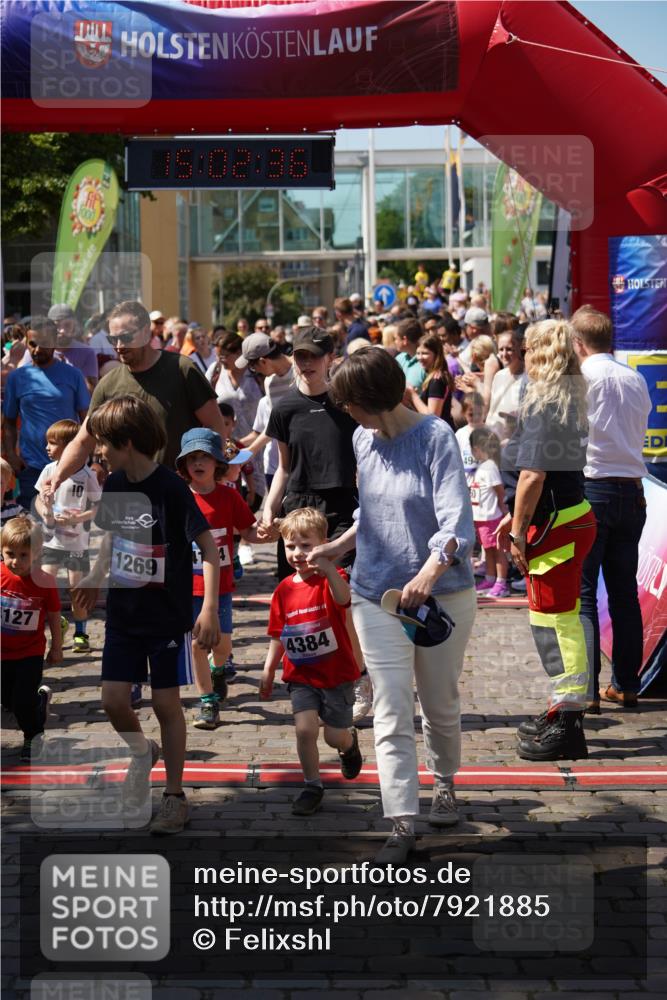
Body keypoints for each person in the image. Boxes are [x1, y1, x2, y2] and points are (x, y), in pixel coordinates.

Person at [315, 347, 476, 863]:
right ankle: (401, 819)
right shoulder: (364, 439)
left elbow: (456, 522)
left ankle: (445, 781)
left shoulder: (435, 437)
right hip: (373, 593)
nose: (346, 414)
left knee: (440, 704)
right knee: (390, 706)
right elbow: (374, 512)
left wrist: (430, 570)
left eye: (348, 404)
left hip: (440, 596)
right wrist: (338, 547)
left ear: (371, 399)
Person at [72, 396, 222, 835]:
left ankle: (174, 796)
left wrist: (209, 607)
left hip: (165, 618)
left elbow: (209, 548)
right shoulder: (116, 483)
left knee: (165, 703)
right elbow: (111, 540)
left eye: (105, 443)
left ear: (128, 441)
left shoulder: (171, 489)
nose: (99, 451)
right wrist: (95, 577)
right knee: (113, 701)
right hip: (124, 615)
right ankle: (142, 752)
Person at [497, 320, 597, 760]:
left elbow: (533, 475)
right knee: (554, 621)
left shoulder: (544, 401)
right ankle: (562, 709)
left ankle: (569, 719)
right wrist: (515, 521)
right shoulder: (568, 395)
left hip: (557, 522)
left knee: (558, 623)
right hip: (566, 517)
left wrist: (517, 528)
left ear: (538, 351)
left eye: (526, 348)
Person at [42, 300, 226, 490]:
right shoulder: (108, 384)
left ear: (146, 332)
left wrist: (211, 477)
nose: (119, 346)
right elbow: (82, 441)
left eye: (126, 337)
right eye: (113, 340)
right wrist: (58, 476)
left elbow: (215, 426)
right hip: (130, 496)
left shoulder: (182, 369)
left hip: (180, 489)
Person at [571, 307, 652, 709]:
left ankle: (588, 693)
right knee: (624, 594)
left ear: (578, 343)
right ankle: (626, 684)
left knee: (584, 594)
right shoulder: (634, 378)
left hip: (594, 488)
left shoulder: (582, 378)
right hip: (632, 490)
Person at [259, 508, 362, 816]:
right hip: (301, 674)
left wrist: (330, 567)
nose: (297, 553)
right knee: (305, 730)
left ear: (323, 543)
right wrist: (267, 670)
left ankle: (348, 743)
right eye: (291, 546)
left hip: (336, 674)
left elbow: (344, 599)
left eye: (306, 545)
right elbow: (278, 633)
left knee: (333, 735)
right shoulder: (284, 589)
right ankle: (311, 785)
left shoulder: (334, 577)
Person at [175, 428, 260, 730]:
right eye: (192, 458)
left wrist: (263, 534)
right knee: (198, 644)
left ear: (217, 463)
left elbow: (248, 530)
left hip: (221, 586)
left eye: (204, 458)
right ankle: (207, 702)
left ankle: (218, 668)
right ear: (183, 464)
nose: (198, 464)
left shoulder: (229, 496)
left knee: (222, 645)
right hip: (188, 587)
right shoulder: (180, 497)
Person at [2, 317, 90, 510]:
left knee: (67, 524)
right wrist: (11, 455)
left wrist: (89, 455)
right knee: (32, 525)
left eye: (44, 344)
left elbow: (87, 419)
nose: (37, 350)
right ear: (26, 342)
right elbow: (8, 422)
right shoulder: (17, 378)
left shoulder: (73, 375)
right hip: (31, 468)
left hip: (69, 465)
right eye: (32, 344)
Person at [34, 420, 102, 653]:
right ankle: (52, 627)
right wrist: (45, 513)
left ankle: (81, 632)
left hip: (77, 543)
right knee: (45, 585)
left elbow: (97, 507)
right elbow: (37, 499)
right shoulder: (49, 470)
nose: (47, 448)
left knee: (77, 588)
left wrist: (76, 519)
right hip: (51, 540)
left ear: (70, 447)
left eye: (52, 443)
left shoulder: (87, 476)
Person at [1, 517, 60, 760]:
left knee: (22, 700)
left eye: (24, 555)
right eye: (10, 554)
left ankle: (33, 737)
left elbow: (55, 616)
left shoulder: (44, 582)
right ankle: (40, 702)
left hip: (30, 652)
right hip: (3, 652)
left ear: (37, 553)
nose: (16, 561)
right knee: (7, 699)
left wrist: (57, 647)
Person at [469, 428, 509, 598]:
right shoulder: (482, 467)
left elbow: (499, 491)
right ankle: (490, 578)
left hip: (491, 518)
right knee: (488, 549)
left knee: (497, 551)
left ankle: (501, 583)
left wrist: (503, 510)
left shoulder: (490, 467)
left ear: (476, 448)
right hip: (482, 518)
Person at [206, 332, 262, 440]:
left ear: (239, 353)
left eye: (223, 356)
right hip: (225, 447)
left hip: (257, 447)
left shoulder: (257, 372)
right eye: (217, 356)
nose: (219, 360)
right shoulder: (215, 370)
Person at [405, 333, 455, 428]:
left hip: (440, 436)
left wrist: (413, 395)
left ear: (436, 354)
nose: (420, 358)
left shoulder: (437, 380)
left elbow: (433, 418)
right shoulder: (433, 376)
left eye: (425, 353)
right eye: (418, 353)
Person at [47, 304, 98, 392]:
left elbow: (91, 392)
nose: (62, 331)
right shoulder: (36, 350)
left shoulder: (87, 352)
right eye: (56, 326)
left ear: (74, 326)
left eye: (67, 325)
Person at [485, 330, 526, 435]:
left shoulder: (528, 379)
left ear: (520, 349)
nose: (504, 354)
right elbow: (492, 409)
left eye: (509, 349)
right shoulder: (499, 375)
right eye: (501, 349)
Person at [455, 392, 485, 485]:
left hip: (485, 483)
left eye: (479, 414)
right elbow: (456, 457)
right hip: (467, 482)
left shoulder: (489, 431)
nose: (476, 417)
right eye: (471, 414)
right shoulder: (460, 434)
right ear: (464, 413)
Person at [393, 318, 425, 390]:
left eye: (396, 338)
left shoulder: (425, 363)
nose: (395, 342)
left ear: (404, 340)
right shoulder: (399, 358)